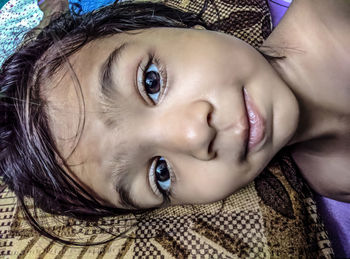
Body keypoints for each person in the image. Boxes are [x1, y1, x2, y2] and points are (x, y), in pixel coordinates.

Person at [0, 0, 349, 228]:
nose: (195, 136)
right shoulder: (333, 186)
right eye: (160, 173)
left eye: (151, 82)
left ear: (170, 24)